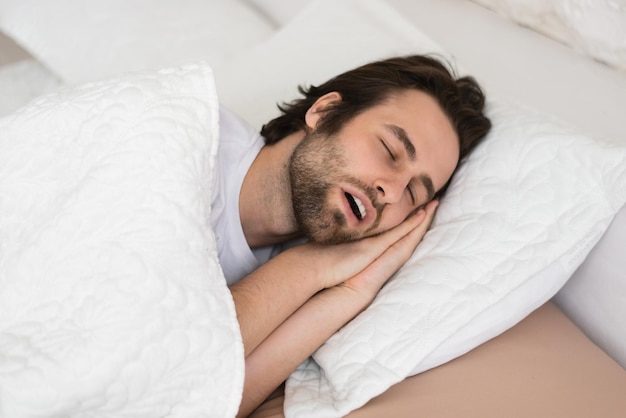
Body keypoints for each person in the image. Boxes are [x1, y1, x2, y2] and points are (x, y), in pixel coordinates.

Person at [211, 55, 491, 417]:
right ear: (324, 112)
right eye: (390, 151)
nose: (390, 192)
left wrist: (347, 289)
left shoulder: (294, 276)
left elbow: (198, 400)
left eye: (413, 194)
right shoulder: (182, 139)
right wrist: (305, 268)